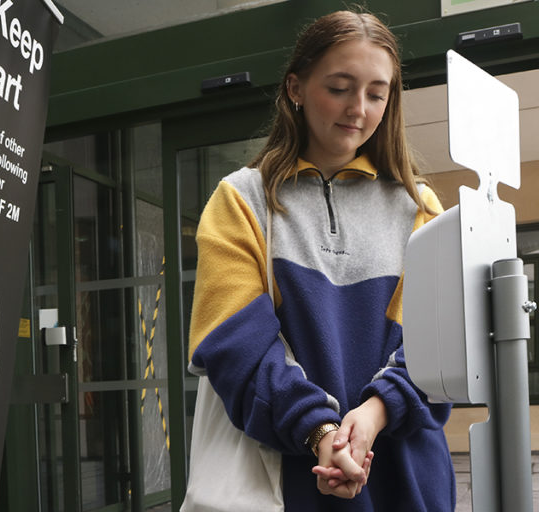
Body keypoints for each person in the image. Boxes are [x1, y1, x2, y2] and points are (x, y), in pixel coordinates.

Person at [187, 9, 455, 511]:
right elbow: (235, 347)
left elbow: (438, 347)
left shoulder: (420, 207)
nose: (359, 108)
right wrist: (320, 432)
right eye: (339, 87)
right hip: (289, 483)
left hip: (407, 483)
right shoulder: (241, 201)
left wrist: (375, 414)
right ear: (295, 87)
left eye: (377, 94)